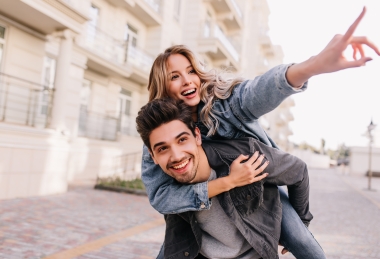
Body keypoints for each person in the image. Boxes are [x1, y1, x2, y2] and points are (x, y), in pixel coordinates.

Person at [141, 7, 379, 258]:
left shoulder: (222, 105)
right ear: (163, 86)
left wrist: (312, 66)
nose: (188, 80)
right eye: (175, 76)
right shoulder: (158, 138)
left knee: (302, 240)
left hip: (258, 193)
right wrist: (226, 182)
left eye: (191, 71)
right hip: (204, 209)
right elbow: (161, 197)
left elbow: (257, 92)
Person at [136, 98, 314, 259]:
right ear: (152, 157)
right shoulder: (168, 189)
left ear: (197, 136)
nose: (176, 156)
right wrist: (229, 181)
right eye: (162, 149)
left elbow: (298, 171)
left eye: (182, 140)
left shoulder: (245, 157)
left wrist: (300, 225)